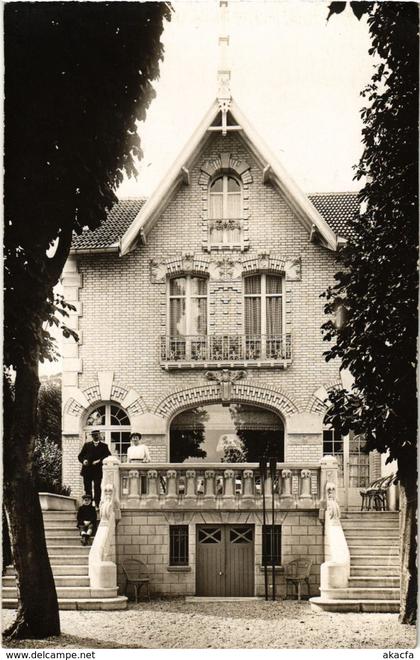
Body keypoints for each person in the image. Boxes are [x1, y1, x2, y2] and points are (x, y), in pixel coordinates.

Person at [78, 430, 111, 508]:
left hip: (98, 471)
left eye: (97, 435)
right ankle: (88, 504)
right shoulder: (87, 445)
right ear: (92, 436)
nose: (95, 436)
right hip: (87, 470)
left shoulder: (104, 446)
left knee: (97, 487)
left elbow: (108, 455)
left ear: (99, 435)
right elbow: (80, 456)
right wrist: (84, 461)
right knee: (87, 488)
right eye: (94, 435)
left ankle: (97, 504)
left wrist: (99, 460)